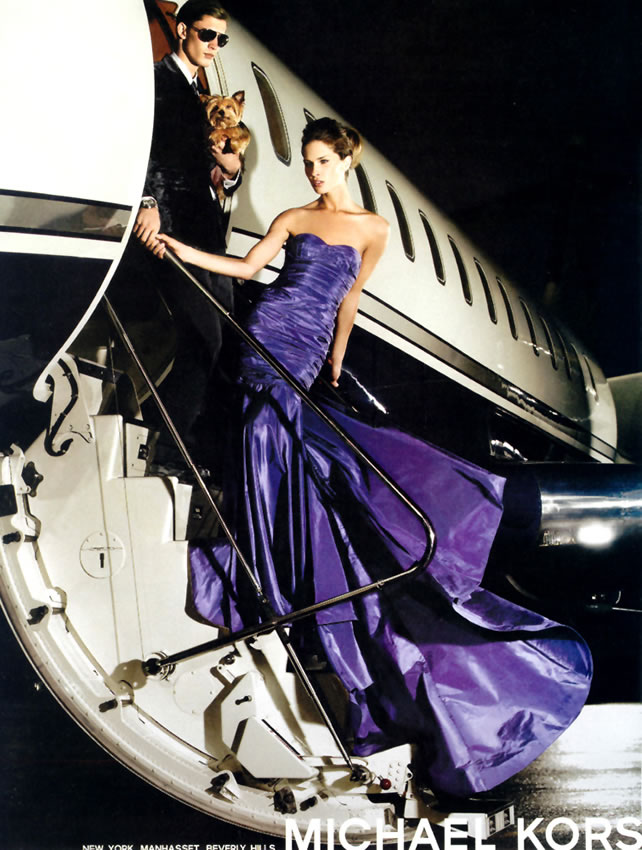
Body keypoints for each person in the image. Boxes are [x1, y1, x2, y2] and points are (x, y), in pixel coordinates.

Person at [150, 118, 592, 799]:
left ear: (346, 161)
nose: (313, 172)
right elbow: (247, 269)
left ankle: (286, 582)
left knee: (310, 456)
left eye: (323, 161)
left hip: (306, 349)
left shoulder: (373, 230)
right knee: (266, 447)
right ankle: (276, 580)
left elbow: (350, 299)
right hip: (270, 332)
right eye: (307, 162)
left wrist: (334, 362)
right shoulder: (294, 218)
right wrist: (178, 248)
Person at [110, 0, 241, 470]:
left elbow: (204, 165)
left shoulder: (200, 96)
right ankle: (163, 449)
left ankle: (165, 444)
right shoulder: (157, 80)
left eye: (221, 39)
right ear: (183, 30)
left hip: (205, 231)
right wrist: (146, 201)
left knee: (216, 337)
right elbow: (139, 142)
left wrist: (231, 171)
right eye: (207, 34)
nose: (214, 45)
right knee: (202, 336)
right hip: (170, 226)